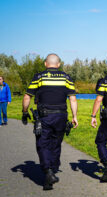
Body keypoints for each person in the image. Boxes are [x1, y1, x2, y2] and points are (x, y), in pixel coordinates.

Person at [22, 53, 78, 190]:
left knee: (42, 144)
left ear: (45, 64)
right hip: (61, 116)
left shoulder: (39, 77)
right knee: (56, 144)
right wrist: (74, 116)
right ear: (58, 65)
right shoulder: (66, 78)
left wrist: (24, 112)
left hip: (44, 117)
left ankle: (48, 171)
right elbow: (73, 99)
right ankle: (52, 171)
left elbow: (27, 97)